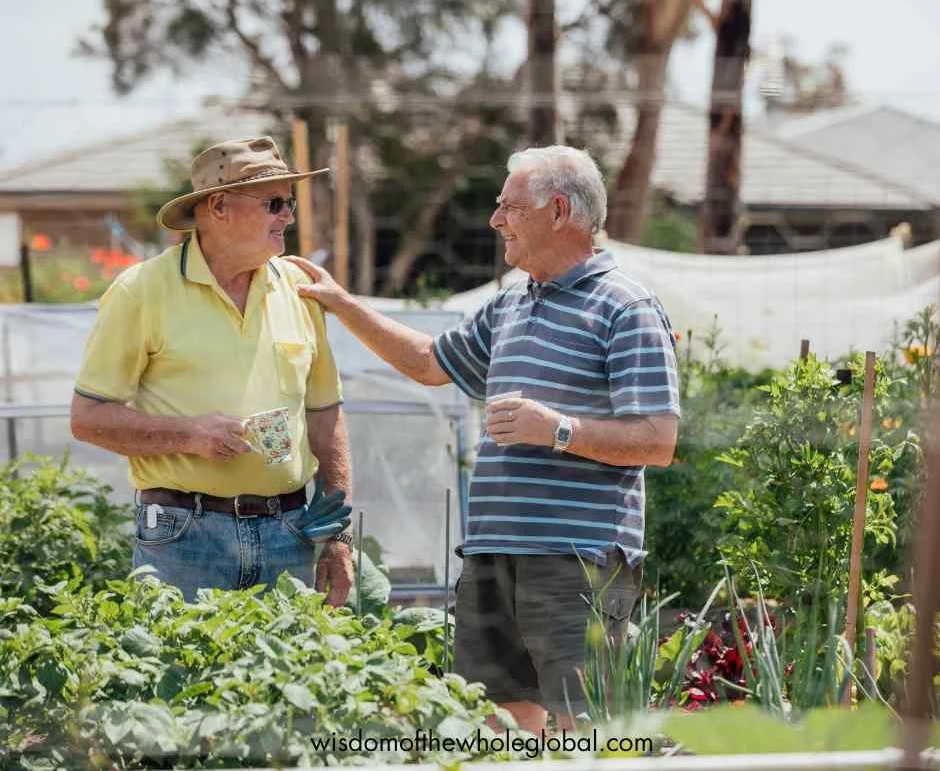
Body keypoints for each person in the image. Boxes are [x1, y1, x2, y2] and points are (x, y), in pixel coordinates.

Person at [285, 145, 680, 731]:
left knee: (580, 727)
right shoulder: (512, 303)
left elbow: (657, 440)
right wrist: (343, 305)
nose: (495, 220)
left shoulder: (626, 308)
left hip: (579, 560)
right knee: (493, 722)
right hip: (493, 552)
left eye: (509, 206)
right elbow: (427, 362)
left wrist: (559, 430)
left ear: (558, 211)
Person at [70, 136, 355, 604]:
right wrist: (189, 435)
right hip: (182, 536)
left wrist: (337, 535)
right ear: (219, 206)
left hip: (292, 531)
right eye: (275, 203)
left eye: (290, 203)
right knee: (180, 675)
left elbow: (326, 414)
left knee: (294, 678)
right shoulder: (141, 291)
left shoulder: (301, 288)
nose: (288, 216)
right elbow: (87, 418)